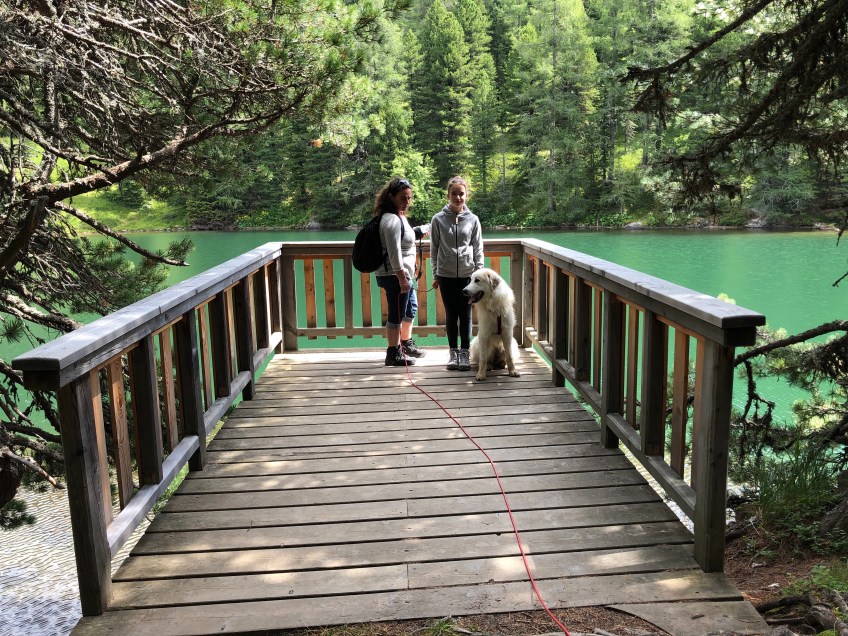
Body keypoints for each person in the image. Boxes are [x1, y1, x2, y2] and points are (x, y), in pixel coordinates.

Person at [430, 176, 484, 371]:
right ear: (448, 195)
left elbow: (478, 249)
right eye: (454, 193)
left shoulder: (473, 219)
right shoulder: (438, 219)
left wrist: (479, 275)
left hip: (468, 276)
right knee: (451, 314)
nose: (458, 197)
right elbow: (434, 249)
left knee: (466, 315)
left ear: (466, 195)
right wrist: (435, 273)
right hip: (445, 275)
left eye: (461, 194)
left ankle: (465, 352)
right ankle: (453, 352)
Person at [374, 177, 429, 366]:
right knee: (396, 314)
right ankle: (393, 353)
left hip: (403, 274)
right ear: (391, 197)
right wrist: (402, 279)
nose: (407, 201)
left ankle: (405, 344)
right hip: (394, 275)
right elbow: (394, 253)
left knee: (410, 308)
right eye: (403, 198)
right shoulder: (391, 220)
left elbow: (405, 238)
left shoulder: (399, 216)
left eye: (409, 198)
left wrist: (418, 232)